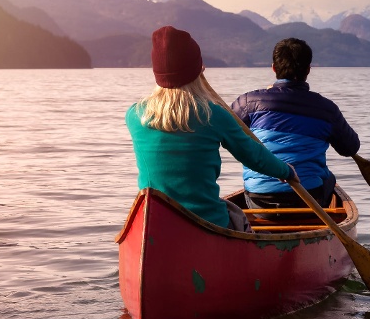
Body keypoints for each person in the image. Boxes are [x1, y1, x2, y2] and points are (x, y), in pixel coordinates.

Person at [126, 26, 297, 232]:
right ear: (197, 70)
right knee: (236, 216)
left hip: (153, 222)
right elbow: (254, 156)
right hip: (205, 220)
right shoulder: (212, 115)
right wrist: (286, 171)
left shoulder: (134, 115)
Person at [230, 38, 360, 211]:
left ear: (274, 68)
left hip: (258, 199)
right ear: (308, 69)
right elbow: (350, 148)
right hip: (309, 198)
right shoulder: (326, 109)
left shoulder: (247, 102)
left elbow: (226, 131)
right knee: (329, 179)